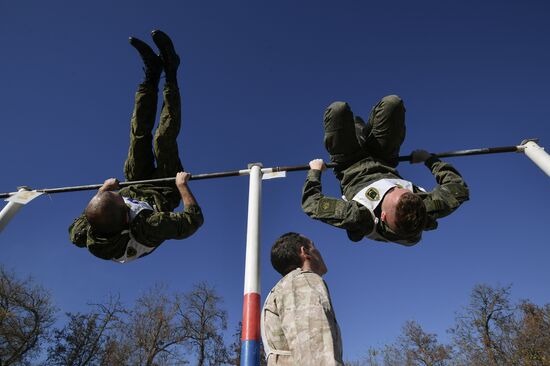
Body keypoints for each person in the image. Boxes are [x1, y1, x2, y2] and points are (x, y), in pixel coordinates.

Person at [68, 30, 203, 263]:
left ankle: (151, 75)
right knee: (162, 139)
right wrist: (182, 186)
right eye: (122, 202)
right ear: (127, 218)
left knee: (138, 137)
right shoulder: (149, 226)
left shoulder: (85, 232)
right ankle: (171, 71)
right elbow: (193, 221)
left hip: (137, 183)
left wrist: (103, 190)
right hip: (164, 190)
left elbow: (79, 226)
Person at [302, 96, 469, 245]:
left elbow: (312, 203)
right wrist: (429, 159)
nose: (395, 187)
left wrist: (315, 172)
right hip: (384, 158)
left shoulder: (359, 216)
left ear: (382, 216)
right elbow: (458, 189)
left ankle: (359, 131)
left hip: (349, 162)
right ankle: (365, 133)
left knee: (338, 110)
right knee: (393, 103)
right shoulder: (426, 207)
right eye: (402, 190)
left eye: (392, 192)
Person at [261, 232, 343, 365]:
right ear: (304, 252)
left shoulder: (286, 286)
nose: (318, 251)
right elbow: (316, 355)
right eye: (313, 246)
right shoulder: (303, 281)